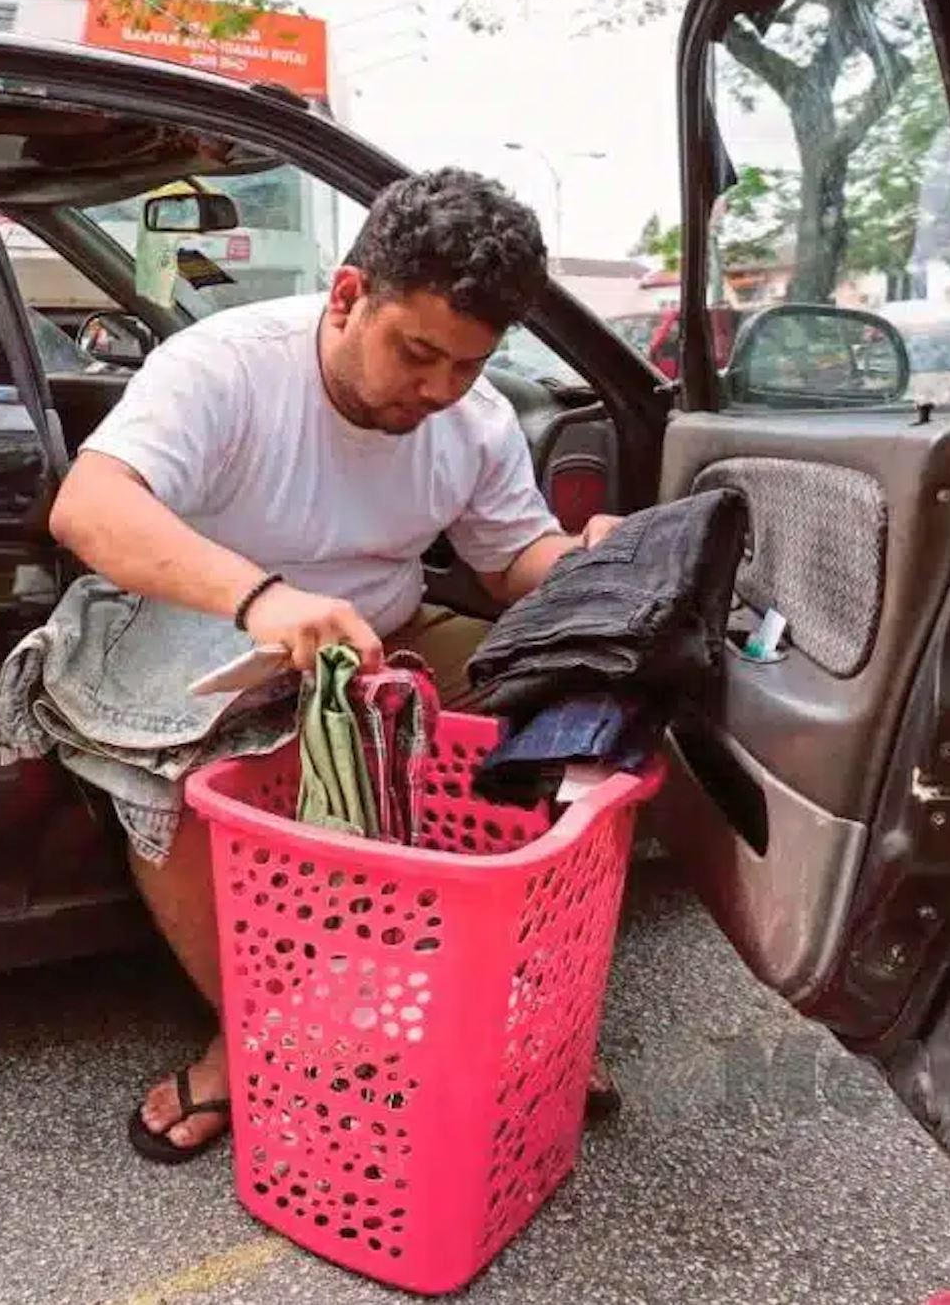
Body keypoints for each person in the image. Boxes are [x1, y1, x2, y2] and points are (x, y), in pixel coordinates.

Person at [48, 168, 625, 1163]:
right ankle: (257, 1038)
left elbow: (506, 561)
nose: (438, 389)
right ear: (348, 296)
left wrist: (590, 563)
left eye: (467, 365)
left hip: (375, 639)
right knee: (170, 775)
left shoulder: (471, 419)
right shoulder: (225, 366)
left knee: (573, 720)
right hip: (196, 616)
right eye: (417, 353)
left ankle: (513, 1012)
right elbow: (89, 508)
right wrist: (263, 601)